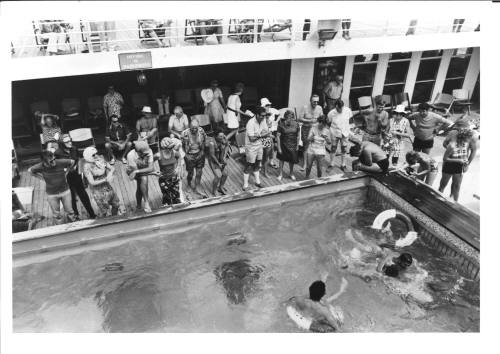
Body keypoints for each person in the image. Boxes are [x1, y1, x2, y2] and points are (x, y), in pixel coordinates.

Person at [55, 134, 97, 219]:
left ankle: (92, 214)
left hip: (76, 175)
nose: (70, 142)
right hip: (66, 177)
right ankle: (76, 215)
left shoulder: (74, 149)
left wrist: (80, 171)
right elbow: (57, 165)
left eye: (70, 140)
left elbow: (79, 160)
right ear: (62, 144)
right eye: (67, 142)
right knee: (71, 198)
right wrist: (65, 169)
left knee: (83, 195)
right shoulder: (57, 153)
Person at [28, 150, 76, 224]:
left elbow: (72, 161)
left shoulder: (60, 162)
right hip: (52, 194)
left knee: (70, 211)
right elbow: (30, 171)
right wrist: (41, 177)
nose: (54, 162)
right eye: (51, 161)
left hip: (65, 191)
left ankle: (74, 224)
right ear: (44, 162)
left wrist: (67, 172)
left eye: (54, 159)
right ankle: (60, 229)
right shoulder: (40, 166)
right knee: (57, 214)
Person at [83, 146, 122, 217]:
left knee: (116, 204)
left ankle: (115, 218)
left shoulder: (100, 159)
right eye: (93, 155)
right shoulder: (87, 166)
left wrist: (110, 173)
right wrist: (105, 179)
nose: (96, 155)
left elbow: (112, 168)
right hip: (98, 191)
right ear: (88, 156)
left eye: (96, 153)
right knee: (106, 212)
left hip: (107, 187)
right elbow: (92, 182)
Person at [438, 128, 476, 202]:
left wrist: (466, 164)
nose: (471, 139)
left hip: (459, 166)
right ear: (464, 137)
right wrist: (459, 160)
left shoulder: (466, 144)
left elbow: (469, 153)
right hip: (449, 166)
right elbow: (445, 159)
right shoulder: (452, 145)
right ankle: (438, 200)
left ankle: (455, 203)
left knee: (457, 186)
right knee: (443, 185)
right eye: (469, 137)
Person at [243, 107, 270, 191]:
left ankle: (257, 182)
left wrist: (260, 135)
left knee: (258, 163)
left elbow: (266, 131)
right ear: (257, 115)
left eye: (264, 116)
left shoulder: (263, 120)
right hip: (251, 147)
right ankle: (245, 185)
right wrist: (262, 135)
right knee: (249, 165)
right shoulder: (250, 123)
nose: (263, 117)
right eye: (262, 116)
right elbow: (251, 139)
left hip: (259, 145)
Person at [126, 141, 155, 212]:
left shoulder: (149, 151)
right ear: (138, 152)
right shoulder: (131, 155)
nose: (147, 154)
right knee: (143, 179)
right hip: (132, 171)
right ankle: (146, 203)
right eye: (144, 154)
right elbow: (136, 171)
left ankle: (139, 206)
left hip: (140, 169)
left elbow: (151, 168)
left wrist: (138, 171)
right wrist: (152, 173)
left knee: (140, 186)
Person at [182, 118, 207, 196]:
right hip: (189, 154)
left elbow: (204, 141)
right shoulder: (184, 133)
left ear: (198, 127)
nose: (194, 130)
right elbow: (181, 146)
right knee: (190, 173)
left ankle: (197, 186)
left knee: (199, 172)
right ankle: (189, 184)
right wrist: (186, 156)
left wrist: (202, 152)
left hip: (199, 153)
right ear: (189, 127)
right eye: (192, 128)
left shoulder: (201, 131)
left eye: (196, 128)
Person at [299, 94, 324, 170]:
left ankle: (312, 161)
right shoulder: (305, 107)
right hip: (306, 129)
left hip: (316, 130)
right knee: (306, 147)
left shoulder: (319, 108)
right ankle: (305, 164)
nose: (316, 103)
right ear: (310, 101)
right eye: (314, 102)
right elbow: (300, 118)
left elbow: (322, 118)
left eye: (317, 102)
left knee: (315, 146)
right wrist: (309, 120)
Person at [326, 99, 352, 171]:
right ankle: (331, 164)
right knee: (333, 148)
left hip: (345, 132)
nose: (340, 110)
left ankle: (343, 165)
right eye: (338, 108)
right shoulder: (331, 113)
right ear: (336, 106)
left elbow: (350, 120)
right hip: (335, 132)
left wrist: (349, 129)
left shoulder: (348, 110)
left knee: (344, 148)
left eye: (341, 108)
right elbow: (328, 123)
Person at [156, 137, 182, 206]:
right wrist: (154, 172)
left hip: (174, 177)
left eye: (172, 147)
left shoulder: (174, 152)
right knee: (166, 195)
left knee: (176, 194)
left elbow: (179, 157)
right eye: (169, 148)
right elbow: (149, 162)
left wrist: (178, 167)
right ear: (164, 148)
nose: (171, 149)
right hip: (164, 178)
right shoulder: (158, 155)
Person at [276, 109, 300, 181]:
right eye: (288, 117)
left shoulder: (296, 124)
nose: (290, 119)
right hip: (283, 144)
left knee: (292, 160)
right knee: (281, 159)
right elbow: (278, 136)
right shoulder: (281, 125)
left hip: (293, 144)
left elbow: (298, 136)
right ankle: (280, 174)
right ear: (285, 117)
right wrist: (279, 147)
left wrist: (297, 145)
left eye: (292, 117)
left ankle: (291, 173)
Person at [306, 115, 331, 179]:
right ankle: (306, 177)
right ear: (319, 122)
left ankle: (319, 179)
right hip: (311, 149)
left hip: (321, 150)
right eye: (321, 123)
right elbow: (308, 139)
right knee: (308, 166)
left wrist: (326, 138)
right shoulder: (313, 128)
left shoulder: (327, 130)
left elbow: (329, 142)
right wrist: (312, 137)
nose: (322, 125)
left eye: (324, 124)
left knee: (319, 167)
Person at [206, 131, 229, 195]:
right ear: (216, 136)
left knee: (225, 174)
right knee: (218, 176)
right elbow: (212, 155)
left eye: (223, 136)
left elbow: (227, 145)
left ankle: (220, 187)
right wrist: (218, 164)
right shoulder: (211, 143)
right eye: (220, 136)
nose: (222, 137)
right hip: (213, 161)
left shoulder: (223, 139)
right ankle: (214, 191)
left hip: (221, 159)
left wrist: (224, 156)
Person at [261, 97, 281, 169]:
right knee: (267, 147)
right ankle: (263, 162)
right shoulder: (262, 112)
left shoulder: (272, 110)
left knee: (272, 146)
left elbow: (280, 114)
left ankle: (271, 161)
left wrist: (276, 121)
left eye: (268, 105)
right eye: (265, 105)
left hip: (273, 130)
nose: (267, 107)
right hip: (265, 132)